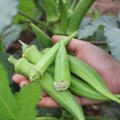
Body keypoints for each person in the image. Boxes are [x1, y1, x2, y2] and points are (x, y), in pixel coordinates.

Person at [12, 35, 120, 108]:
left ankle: (110, 95)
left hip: (102, 84)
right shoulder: (53, 56)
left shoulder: (55, 55)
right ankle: (111, 95)